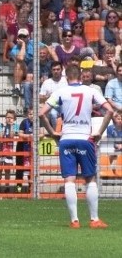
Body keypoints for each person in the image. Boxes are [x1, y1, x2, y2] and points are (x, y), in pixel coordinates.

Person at [38, 64, 114, 229]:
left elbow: (41, 113)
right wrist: (99, 131)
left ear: (66, 77)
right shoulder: (91, 91)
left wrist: (52, 132)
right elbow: (109, 111)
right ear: (80, 76)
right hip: (85, 139)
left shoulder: (61, 92)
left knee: (69, 180)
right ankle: (94, 219)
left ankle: (74, 220)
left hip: (66, 139)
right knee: (90, 178)